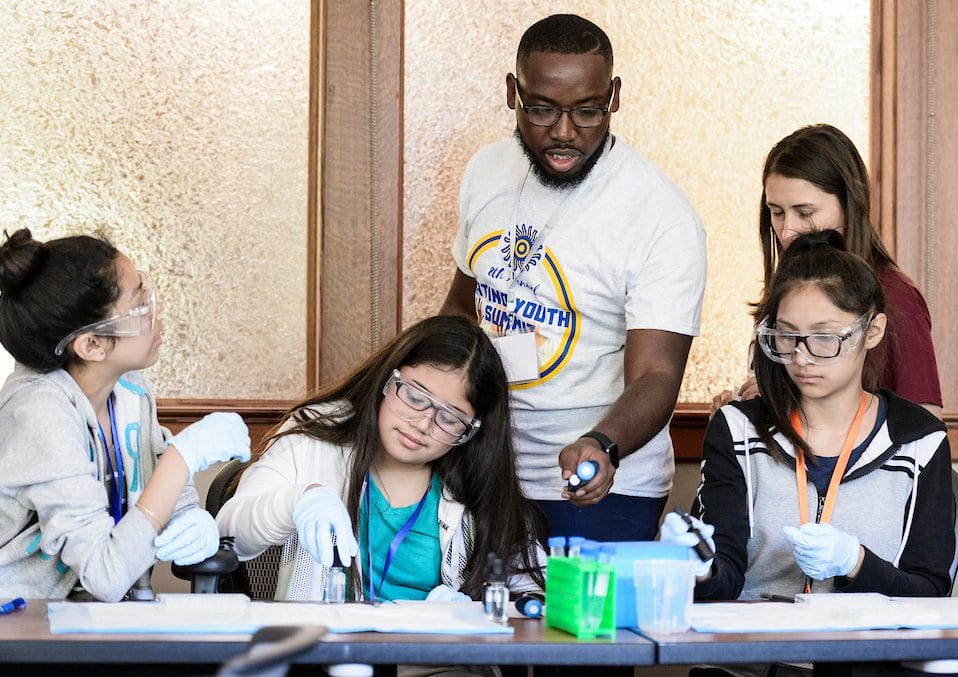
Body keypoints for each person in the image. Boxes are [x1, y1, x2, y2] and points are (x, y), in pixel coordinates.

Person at [440, 13, 707, 542]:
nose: (564, 132)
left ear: (613, 97)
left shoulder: (661, 215)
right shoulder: (486, 171)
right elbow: (458, 310)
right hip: (485, 469)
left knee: (577, 627)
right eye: (541, 109)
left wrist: (602, 444)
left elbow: (657, 374)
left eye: (587, 112)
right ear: (513, 92)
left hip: (602, 484)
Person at [664, 231, 954, 676]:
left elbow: (929, 593)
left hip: (866, 668)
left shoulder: (920, 441)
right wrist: (697, 567)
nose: (801, 358)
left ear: (871, 330)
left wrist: (855, 563)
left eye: (824, 338)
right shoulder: (738, 429)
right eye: (787, 337)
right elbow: (726, 579)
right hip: (749, 667)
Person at [216, 315, 545, 604]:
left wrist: (471, 613)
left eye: (449, 419)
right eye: (415, 396)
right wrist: (298, 501)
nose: (422, 424)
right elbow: (229, 536)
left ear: (470, 432)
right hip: (327, 651)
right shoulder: (314, 436)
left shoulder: (476, 480)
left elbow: (538, 590)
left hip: (434, 656)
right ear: (388, 379)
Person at [0, 228, 251, 602]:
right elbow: (104, 574)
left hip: (94, 621)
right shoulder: (38, 414)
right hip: (21, 629)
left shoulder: (130, 389)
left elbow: (162, 485)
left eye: (146, 289)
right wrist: (183, 458)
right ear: (92, 344)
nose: (156, 310)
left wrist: (189, 519)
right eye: (139, 304)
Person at [713, 124, 942, 418]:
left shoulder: (897, 297)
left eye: (806, 213)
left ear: (849, 205)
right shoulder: (784, 289)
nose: (787, 231)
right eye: (777, 212)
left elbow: (927, 431)